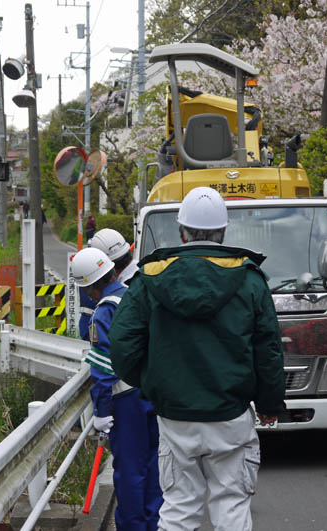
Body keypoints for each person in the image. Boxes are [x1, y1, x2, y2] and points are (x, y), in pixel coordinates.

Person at [109, 186, 285, 531]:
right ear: (223, 231)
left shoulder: (150, 277)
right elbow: (268, 348)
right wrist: (269, 402)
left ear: (181, 231)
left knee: (178, 509)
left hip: (174, 416)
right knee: (231, 507)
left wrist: (152, 385)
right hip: (232, 413)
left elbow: (121, 344)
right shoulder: (250, 279)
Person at [72, 247, 163, 530]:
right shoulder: (135, 295)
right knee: (154, 465)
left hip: (126, 400)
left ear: (88, 287)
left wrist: (100, 411)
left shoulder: (103, 311)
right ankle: (154, 522)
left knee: (130, 470)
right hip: (153, 393)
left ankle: (133, 526)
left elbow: (102, 369)